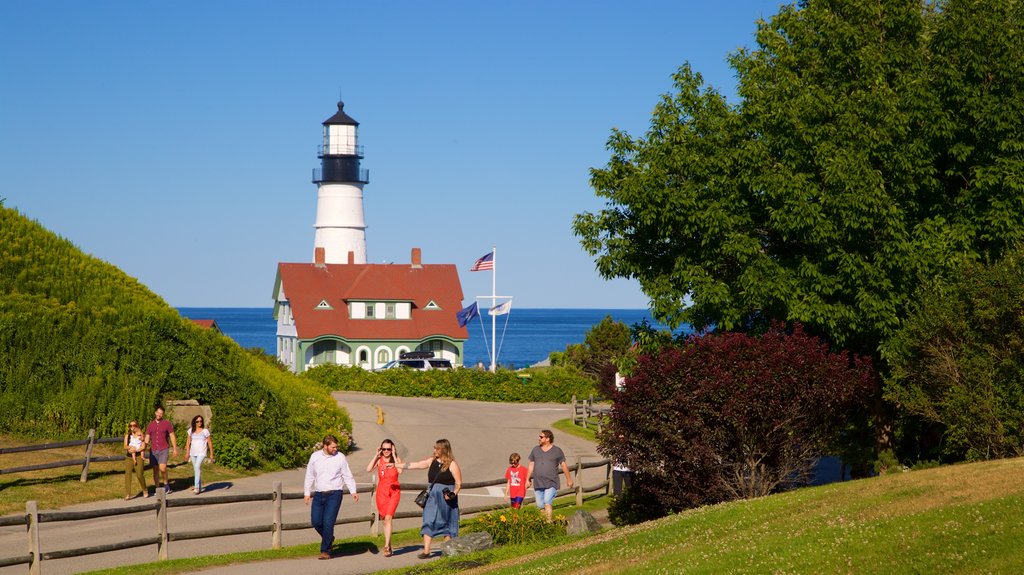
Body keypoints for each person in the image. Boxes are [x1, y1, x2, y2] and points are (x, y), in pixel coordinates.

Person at [400, 438, 462, 559]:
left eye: (437, 448)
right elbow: (416, 464)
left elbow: (459, 483)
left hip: (446, 498)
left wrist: (453, 494)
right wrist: (397, 465)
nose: (434, 450)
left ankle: (447, 550)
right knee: (428, 519)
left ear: (443, 449)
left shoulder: (452, 464)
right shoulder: (432, 460)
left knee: (447, 523)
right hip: (432, 496)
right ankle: (426, 551)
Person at [304, 434, 359, 560]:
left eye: (336, 447)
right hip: (319, 494)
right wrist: (307, 493)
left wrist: (353, 491)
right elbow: (310, 475)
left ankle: (325, 550)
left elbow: (347, 475)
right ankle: (329, 537)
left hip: (335, 494)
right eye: (333, 447)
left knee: (328, 523)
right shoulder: (315, 457)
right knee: (316, 522)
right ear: (325, 446)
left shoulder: (340, 457)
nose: (335, 449)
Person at [365, 438, 403, 557]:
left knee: (388, 518)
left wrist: (395, 456)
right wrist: (376, 456)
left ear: (392, 449)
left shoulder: (396, 460)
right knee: (385, 520)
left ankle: (386, 546)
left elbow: (400, 471)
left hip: (394, 491)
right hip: (382, 493)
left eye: (388, 449)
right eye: (384, 449)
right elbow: (368, 469)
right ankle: (389, 544)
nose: (386, 451)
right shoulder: (379, 460)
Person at [526, 429, 574, 520]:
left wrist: (569, 479)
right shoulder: (535, 450)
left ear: (548, 439)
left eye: (541, 437)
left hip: (551, 482)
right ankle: (544, 524)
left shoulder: (557, 451)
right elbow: (531, 464)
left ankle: (548, 523)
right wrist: (527, 479)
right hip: (538, 482)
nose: (539, 438)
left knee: (547, 502)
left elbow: (563, 465)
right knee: (540, 506)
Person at [145, 406, 178, 495]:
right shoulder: (150, 425)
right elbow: (147, 438)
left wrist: (175, 449)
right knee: (155, 470)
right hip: (153, 450)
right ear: (155, 413)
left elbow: (172, 436)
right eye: (158, 412)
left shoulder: (167, 423)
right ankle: (158, 488)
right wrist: (142, 449)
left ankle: (166, 485)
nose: (159, 414)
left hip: (164, 449)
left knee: (162, 468)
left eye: (161, 413)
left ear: (163, 414)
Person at [182, 415, 214, 494]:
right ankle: (199, 487)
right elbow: (188, 442)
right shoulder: (191, 431)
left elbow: (209, 442)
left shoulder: (205, 431)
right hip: (193, 453)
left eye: (200, 421)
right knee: (196, 469)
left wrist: (211, 454)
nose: (199, 422)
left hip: (202, 453)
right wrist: (187, 453)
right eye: (197, 421)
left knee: (197, 467)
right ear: (194, 422)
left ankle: (196, 487)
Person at [123, 420, 148, 500]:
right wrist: (130, 448)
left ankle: (144, 489)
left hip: (138, 456)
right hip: (129, 457)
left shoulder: (140, 434)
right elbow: (125, 446)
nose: (132, 427)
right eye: (130, 426)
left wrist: (136, 450)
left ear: (137, 426)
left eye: (134, 425)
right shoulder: (128, 435)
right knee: (128, 474)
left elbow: (143, 446)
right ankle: (128, 494)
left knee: (139, 474)